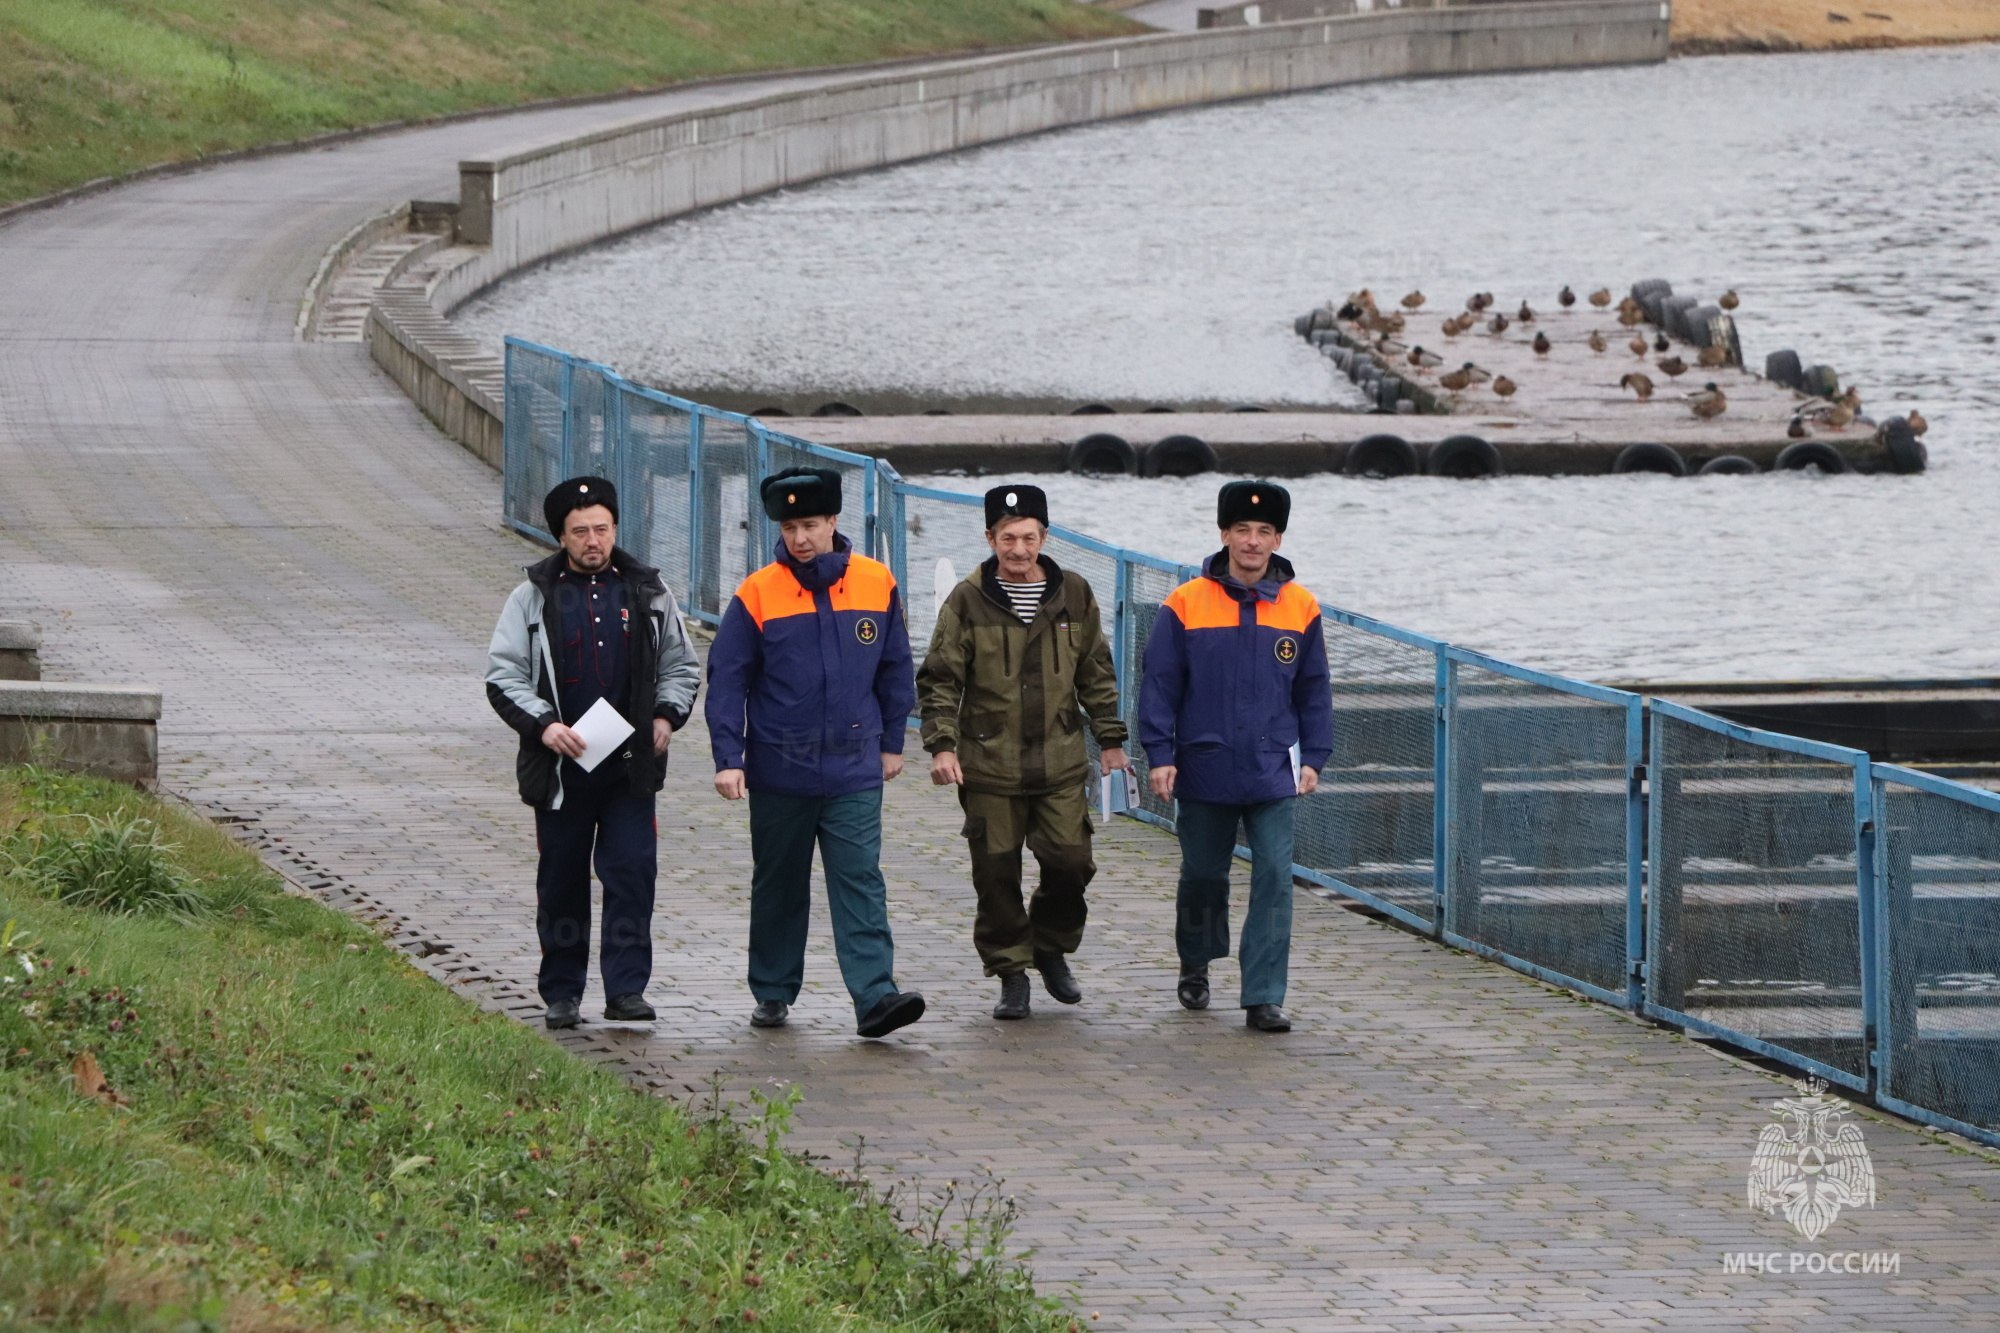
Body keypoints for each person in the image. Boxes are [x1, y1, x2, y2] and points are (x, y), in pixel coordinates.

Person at [705, 466, 926, 1039]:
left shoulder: (877, 582)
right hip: (780, 768)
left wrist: (892, 741)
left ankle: (876, 996)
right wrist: (729, 756)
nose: (799, 538)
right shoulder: (756, 593)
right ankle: (773, 990)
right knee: (779, 883)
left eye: (810, 524)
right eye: (789, 527)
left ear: (833, 521)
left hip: (855, 766)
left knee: (860, 880)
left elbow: (896, 667)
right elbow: (728, 679)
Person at [485, 476, 701, 1030]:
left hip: (631, 769)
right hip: (561, 770)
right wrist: (545, 726)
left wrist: (664, 716)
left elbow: (682, 664)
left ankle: (626, 990)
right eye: (580, 531)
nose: (592, 541)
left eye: (601, 529)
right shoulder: (531, 596)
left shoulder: (649, 592)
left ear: (615, 529)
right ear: (560, 536)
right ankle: (562, 993)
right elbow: (503, 674)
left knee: (632, 874)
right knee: (562, 880)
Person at [917, 484, 1130, 1021]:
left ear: (1045, 537)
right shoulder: (967, 600)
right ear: (989, 538)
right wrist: (942, 745)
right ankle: (1011, 970)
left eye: (1028, 538)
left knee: (1071, 861)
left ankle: (1051, 944)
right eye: (1007, 538)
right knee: (995, 872)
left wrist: (1110, 739)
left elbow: (1096, 672)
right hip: (989, 764)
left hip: (1058, 760)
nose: (1018, 550)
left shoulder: (1074, 594)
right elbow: (940, 679)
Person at [1137, 480, 1332, 1033]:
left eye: (1263, 532)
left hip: (1275, 769)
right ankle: (1196, 959)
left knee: (1273, 873)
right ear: (1224, 534)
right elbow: (1160, 685)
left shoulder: (1301, 606)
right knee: (1203, 874)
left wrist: (1315, 755)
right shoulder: (1185, 602)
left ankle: (1263, 994)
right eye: (1242, 530)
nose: (1252, 541)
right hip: (1204, 764)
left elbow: (1314, 690)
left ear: (1278, 538)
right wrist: (1159, 753)